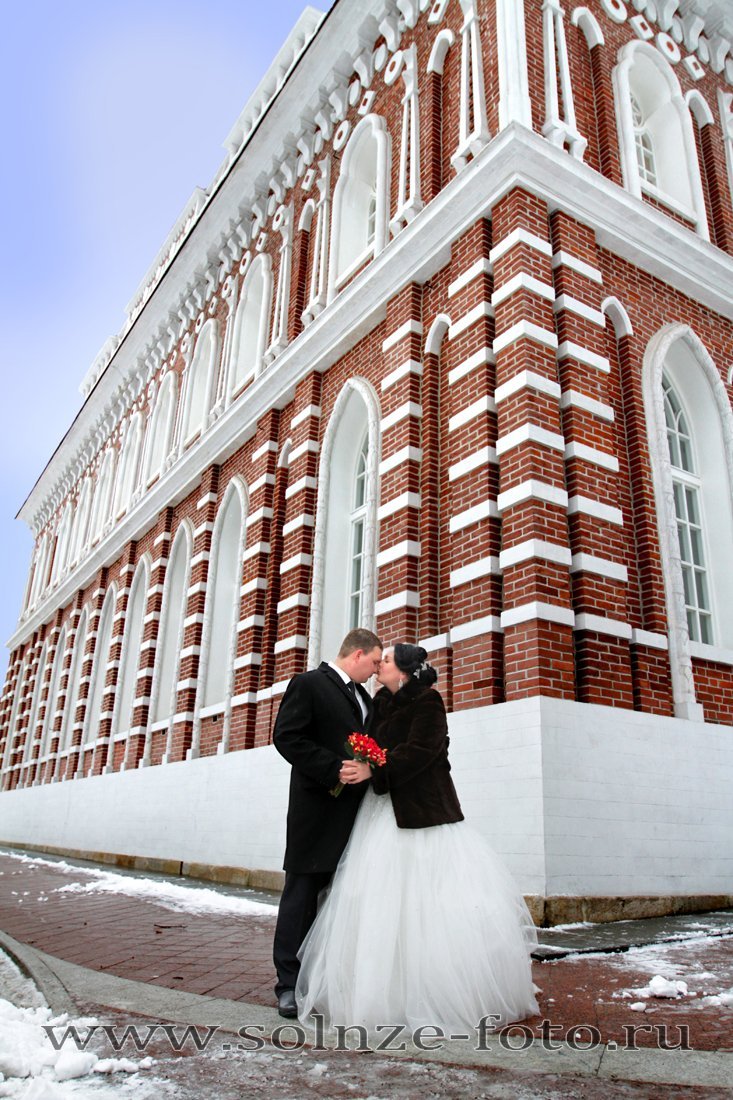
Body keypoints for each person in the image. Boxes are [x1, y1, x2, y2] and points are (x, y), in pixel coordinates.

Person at [295, 643, 539, 1034]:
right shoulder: (379, 703)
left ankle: (439, 994)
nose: (379, 665)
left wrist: (376, 770)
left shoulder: (429, 702)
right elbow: (373, 747)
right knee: (379, 902)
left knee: (430, 901)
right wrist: (363, 763)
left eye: (387, 661)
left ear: (405, 671)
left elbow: (422, 751)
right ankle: (384, 994)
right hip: (382, 813)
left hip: (424, 812)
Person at [272, 627, 383, 1018]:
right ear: (357, 654)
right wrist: (334, 768)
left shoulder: (364, 698)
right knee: (301, 897)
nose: (375, 670)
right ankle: (288, 984)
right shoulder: (308, 684)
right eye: (374, 662)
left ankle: (320, 979)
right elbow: (287, 737)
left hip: (354, 816)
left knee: (336, 902)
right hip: (316, 812)